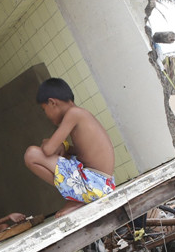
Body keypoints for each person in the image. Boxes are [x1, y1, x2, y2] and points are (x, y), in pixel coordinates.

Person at [24, 78, 116, 217]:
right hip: (101, 183)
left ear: (52, 102)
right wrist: (65, 148)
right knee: (64, 154)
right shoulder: (80, 114)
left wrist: (48, 143)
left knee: (31, 155)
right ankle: (78, 196)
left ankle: (78, 198)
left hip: (94, 184)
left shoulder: (73, 114)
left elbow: (48, 150)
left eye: (44, 110)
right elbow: (83, 153)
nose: (46, 115)